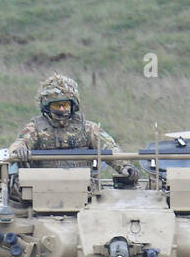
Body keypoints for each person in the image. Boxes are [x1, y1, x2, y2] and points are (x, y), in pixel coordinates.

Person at [8, 75, 138, 183]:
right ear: (47, 106)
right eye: (57, 105)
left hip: (84, 188)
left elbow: (109, 148)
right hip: (41, 188)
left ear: (73, 105)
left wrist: (125, 167)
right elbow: (20, 143)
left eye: (65, 105)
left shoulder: (88, 128)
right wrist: (19, 150)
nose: (62, 110)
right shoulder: (35, 129)